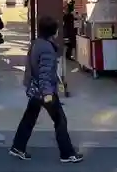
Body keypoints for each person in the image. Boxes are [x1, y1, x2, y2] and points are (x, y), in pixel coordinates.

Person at [10, 15, 82, 163]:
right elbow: (44, 73)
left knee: (29, 119)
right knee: (60, 120)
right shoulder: (47, 49)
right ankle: (67, 153)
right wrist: (48, 94)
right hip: (44, 91)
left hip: (35, 90)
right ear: (53, 32)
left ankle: (18, 147)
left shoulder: (37, 44)